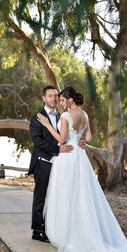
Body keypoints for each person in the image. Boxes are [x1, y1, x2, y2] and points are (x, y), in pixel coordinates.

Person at [37, 86, 127, 252]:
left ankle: (66, 233)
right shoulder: (84, 115)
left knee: (66, 194)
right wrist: (82, 140)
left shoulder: (65, 116)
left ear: (69, 100)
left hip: (67, 157)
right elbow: (89, 137)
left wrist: (46, 125)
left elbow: (61, 140)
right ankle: (83, 230)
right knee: (82, 193)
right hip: (79, 155)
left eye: (62, 100)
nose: (60, 103)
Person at [28, 86, 85, 243]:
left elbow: (66, 135)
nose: (53, 99)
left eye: (55, 96)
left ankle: (50, 229)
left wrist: (81, 140)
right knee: (40, 197)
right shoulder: (37, 118)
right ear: (44, 98)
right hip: (43, 161)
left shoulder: (63, 115)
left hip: (59, 163)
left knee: (56, 196)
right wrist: (57, 148)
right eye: (50, 96)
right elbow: (37, 142)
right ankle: (37, 230)